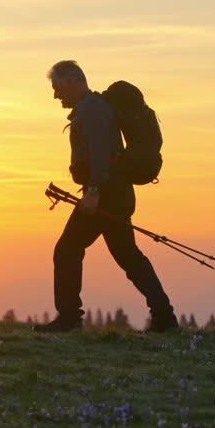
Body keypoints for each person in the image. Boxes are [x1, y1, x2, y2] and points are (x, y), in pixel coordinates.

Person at [37, 60, 179, 333]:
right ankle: (164, 316)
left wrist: (92, 192)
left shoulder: (92, 110)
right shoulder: (94, 107)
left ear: (73, 81)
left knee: (67, 249)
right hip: (114, 191)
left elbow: (101, 152)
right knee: (128, 255)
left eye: (57, 88)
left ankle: (69, 318)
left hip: (105, 193)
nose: (56, 96)